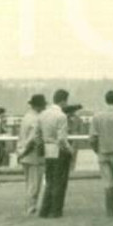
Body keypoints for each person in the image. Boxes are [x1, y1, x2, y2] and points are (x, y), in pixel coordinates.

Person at [38, 89, 72, 218]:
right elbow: (62, 139)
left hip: (48, 149)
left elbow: (38, 134)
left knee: (50, 180)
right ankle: (56, 210)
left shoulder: (43, 114)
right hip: (58, 149)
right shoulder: (61, 116)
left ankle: (44, 210)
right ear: (63, 101)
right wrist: (70, 150)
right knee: (60, 181)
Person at [17, 94, 47, 215]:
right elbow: (33, 139)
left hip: (24, 154)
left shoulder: (26, 117)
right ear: (39, 106)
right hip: (32, 155)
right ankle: (31, 207)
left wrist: (20, 153)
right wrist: (25, 152)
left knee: (29, 183)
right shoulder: (37, 119)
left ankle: (29, 206)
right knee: (34, 184)